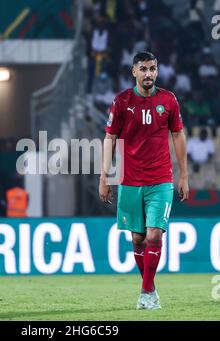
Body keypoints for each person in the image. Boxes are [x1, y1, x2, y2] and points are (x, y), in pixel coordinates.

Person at [99, 52, 189, 310]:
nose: (148, 73)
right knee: (137, 239)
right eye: (143, 69)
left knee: (154, 235)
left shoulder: (168, 100)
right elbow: (109, 139)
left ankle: (146, 291)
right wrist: (104, 176)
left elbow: (178, 135)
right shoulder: (121, 102)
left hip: (160, 179)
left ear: (157, 72)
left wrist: (183, 174)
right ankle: (150, 290)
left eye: (152, 69)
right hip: (129, 180)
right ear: (134, 72)